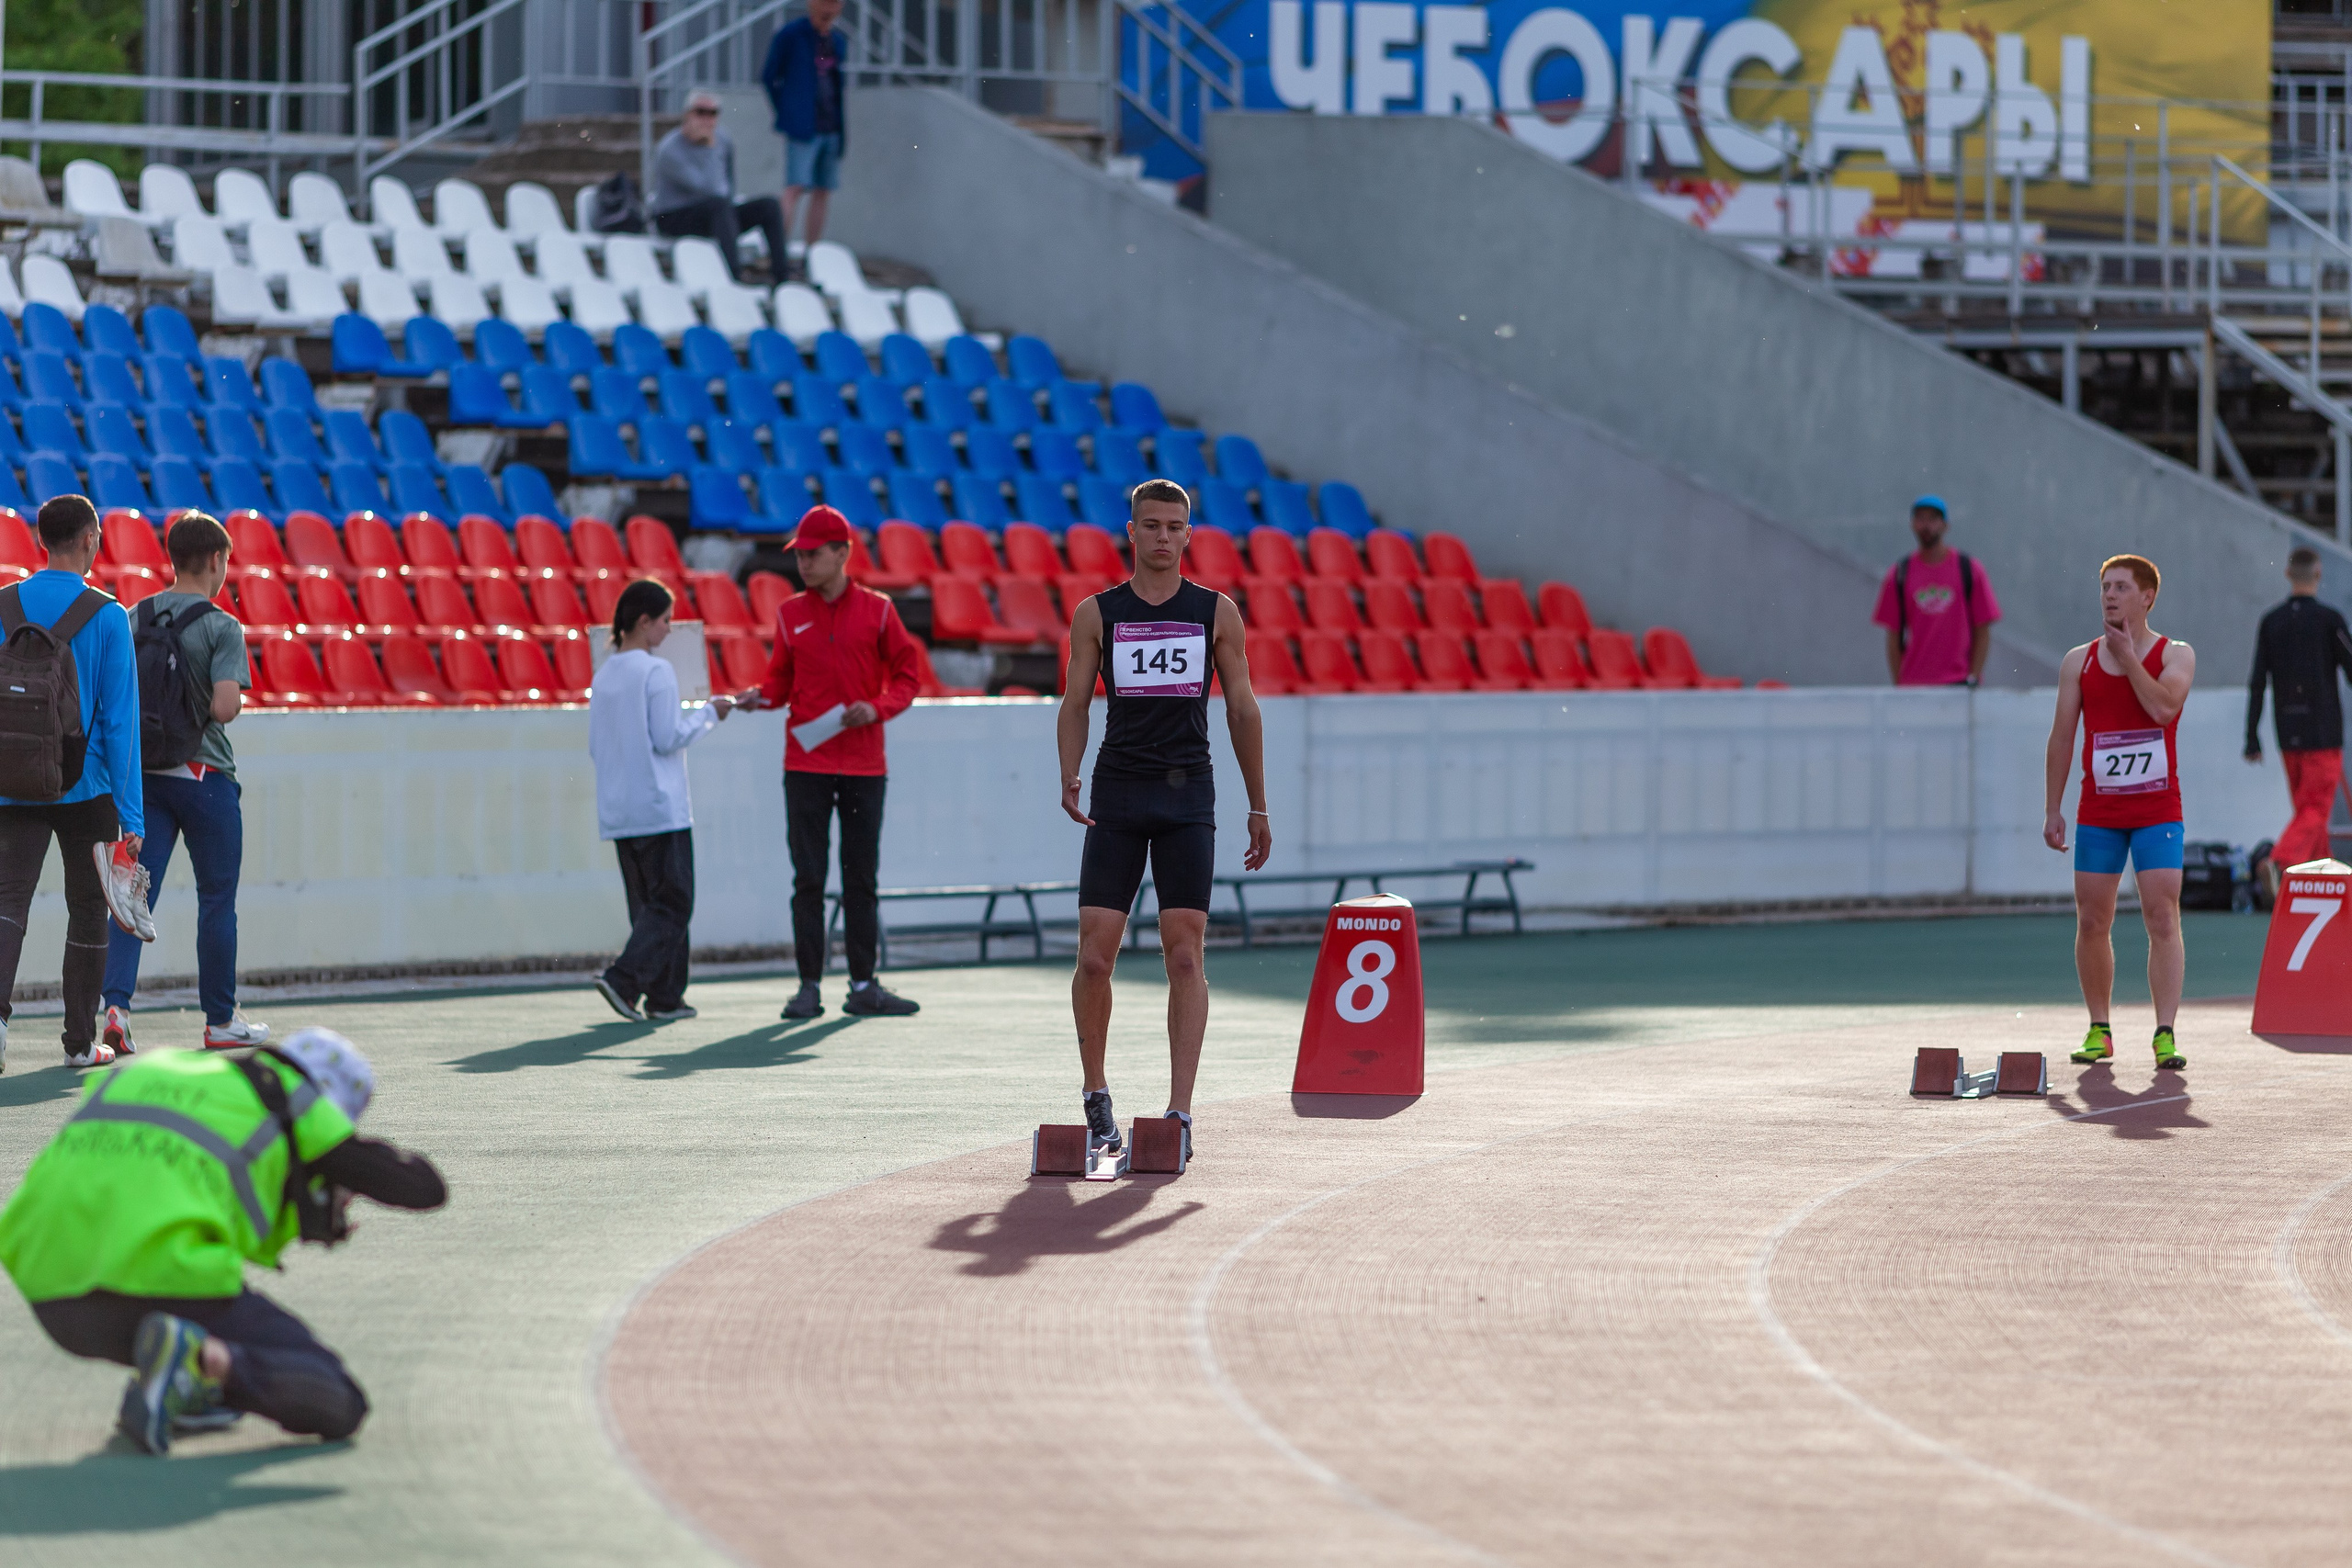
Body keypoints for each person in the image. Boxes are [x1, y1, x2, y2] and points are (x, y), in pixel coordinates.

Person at [0, 1026, 446, 1454]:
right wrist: (341, 1166)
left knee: (176, 1309)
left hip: (50, 1294)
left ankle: (184, 1385)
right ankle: (204, 1360)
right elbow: (422, 1188)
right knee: (339, 1399)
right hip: (158, 1277)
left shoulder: (161, 1069)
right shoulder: (294, 1095)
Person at [1057, 479, 1272, 1168]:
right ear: (1131, 531)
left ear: (1188, 536)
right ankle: (1096, 1096)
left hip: (1188, 798)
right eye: (1150, 524)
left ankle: (1179, 1111)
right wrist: (1070, 770)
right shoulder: (1098, 613)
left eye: (1173, 526)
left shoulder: (1216, 613)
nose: (1161, 536)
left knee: (1185, 953)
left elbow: (1242, 708)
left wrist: (1257, 801)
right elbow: (1074, 701)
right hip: (1118, 793)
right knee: (1096, 954)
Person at [733, 505, 922, 1020]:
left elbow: (908, 678)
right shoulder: (790, 613)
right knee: (809, 878)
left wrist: (876, 708)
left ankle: (862, 984)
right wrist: (759, 697)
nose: (805, 563)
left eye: (814, 554)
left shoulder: (880, 611)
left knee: (860, 877)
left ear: (843, 553)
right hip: (807, 765)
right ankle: (810, 986)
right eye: (801, 555)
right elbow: (779, 680)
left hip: (861, 764)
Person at [100, 513, 266, 1055]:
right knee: (216, 899)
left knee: (130, 897)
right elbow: (225, 705)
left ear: (172, 558)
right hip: (205, 778)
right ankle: (220, 1020)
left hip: (145, 780)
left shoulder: (133, 616)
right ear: (218, 561)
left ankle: (116, 1009)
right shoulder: (222, 625)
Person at [0, 494, 147, 1073]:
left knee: (7, 902)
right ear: (90, 540)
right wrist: (132, 819)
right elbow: (119, 723)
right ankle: (81, 1042)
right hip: (87, 788)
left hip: (11, 781)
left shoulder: (3, 604)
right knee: (87, 908)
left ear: (40, 541)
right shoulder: (108, 614)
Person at [2041, 554, 2196, 1071]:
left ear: (2147, 596)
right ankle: (2099, 1028)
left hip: (2157, 809)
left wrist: (2129, 658)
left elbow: (2163, 709)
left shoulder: (2176, 654)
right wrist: (2053, 808)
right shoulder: (2077, 662)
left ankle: (2165, 1033)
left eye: (2122, 587)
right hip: (2099, 812)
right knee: (2092, 919)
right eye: (2105, 586)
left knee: (2161, 914)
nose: (2110, 595)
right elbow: (2062, 736)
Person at [589, 579, 735, 1023]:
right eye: (666, 620)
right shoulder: (655, 671)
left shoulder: (604, 674)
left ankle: (666, 996)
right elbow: (669, 736)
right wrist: (711, 712)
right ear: (644, 621)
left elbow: (597, 746)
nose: (670, 630)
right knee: (674, 902)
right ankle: (626, 980)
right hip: (658, 807)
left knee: (648, 907)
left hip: (620, 808)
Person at [2245, 546, 2352, 881]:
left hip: (2286, 731)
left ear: (2288, 574)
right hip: (2323, 731)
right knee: (2315, 810)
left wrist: (2251, 736)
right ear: (2318, 574)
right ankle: (2279, 862)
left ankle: (2327, 877)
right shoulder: (2329, 620)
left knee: (2308, 814)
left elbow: (2257, 681)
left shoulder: (2271, 621)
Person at [650, 90, 789, 283]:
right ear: (687, 115)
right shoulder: (670, 149)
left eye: (713, 113)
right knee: (719, 204)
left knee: (769, 205)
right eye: (700, 112)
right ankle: (735, 275)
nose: (707, 119)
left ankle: (782, 277)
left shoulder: (722, 139)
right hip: (674, 216)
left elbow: (728, 184)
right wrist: (708, 148)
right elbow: (708, 188)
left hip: (715, 213)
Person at [1871, 495, 2002, 687]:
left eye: (1932, 519)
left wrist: (1973, 676)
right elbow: (1893, 636)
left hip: (1958, 684)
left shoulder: (1969, 569)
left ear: (1945, 525)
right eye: (1921, 519)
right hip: (1914, 686)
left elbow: (1983, 628)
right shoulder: (1899, 574)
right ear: (1912, 524)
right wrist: (1899, 683)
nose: (1926, 526)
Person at [762, 0, 847, 255]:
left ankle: (813, 253)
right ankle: (778, 252)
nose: (828, 10)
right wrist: (788, 111)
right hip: (803, 127)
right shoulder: (791, 34)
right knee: (795, 187)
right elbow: (769, 75)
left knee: (823, 190)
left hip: (831, 126)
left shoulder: (837, 40)